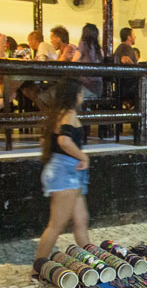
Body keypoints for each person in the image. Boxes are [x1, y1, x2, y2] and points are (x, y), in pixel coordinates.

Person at [34, 78, 90, 276]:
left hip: (66, 172)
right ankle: (36, 269)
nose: (83, 97)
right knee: (56, 225)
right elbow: (65, 141)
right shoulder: (69, 115)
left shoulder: (56, 115)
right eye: (81, 93)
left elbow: (45, 141)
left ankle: (91, 264)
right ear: (74, 96)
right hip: (67, 174)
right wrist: (83, 156)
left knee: (81, 221)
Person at [72, 23, 104, 98]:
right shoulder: (99, 48)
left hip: (86, 86)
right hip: (98, 87)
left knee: (68, 94)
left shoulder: (83, 44)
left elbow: (74, 61)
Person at [113, 28, 138, 107]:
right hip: (128, 86)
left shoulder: (119, 48)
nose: (135, 37)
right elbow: (124, 59)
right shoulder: (127, 48)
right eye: (133, 35)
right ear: (129, 37)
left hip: (120, 85)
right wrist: (136, 68)